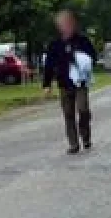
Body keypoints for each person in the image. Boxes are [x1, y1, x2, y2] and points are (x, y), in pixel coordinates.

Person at [42, 10, 98, 154]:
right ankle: (73, 144)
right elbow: (49, 65)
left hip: (80, 83)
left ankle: (85, 135)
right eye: (62, 24)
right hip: (64, 83)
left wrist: (84, 62)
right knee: (68, 114)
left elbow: (93, 57)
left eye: (67, 23)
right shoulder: (55, 45)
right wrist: (47, 84)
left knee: (83, 109)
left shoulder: (83, 41)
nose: (65, 26)